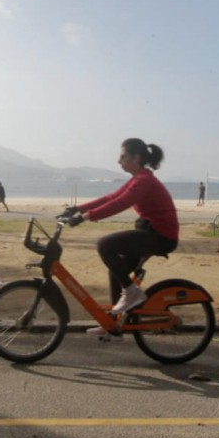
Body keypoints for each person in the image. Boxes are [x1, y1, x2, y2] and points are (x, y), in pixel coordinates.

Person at [70, 139, 179, 335]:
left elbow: (121, 203)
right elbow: (112, 197)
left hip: (161, 236)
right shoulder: (138, 178)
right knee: (116, 271)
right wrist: (76, 209)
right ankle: (113, 324)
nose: (118, 161)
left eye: (122, 157)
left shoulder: (144, 180)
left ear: (135, 158)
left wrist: (85, 217)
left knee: (105, 245)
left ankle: (132, 292)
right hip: (150, 232)